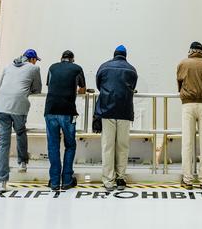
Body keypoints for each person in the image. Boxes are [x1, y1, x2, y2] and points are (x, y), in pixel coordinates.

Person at [0, 48, 42, 190]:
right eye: (35, 60)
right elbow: (37, 89)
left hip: (1, 106)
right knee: (20, 132)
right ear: (32, 59)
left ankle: (1, 181)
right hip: (18, 106)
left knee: (3, 143)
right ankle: (22, 162)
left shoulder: (7, 66)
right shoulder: (34, 68)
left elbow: (1, 85)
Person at [95, 45, 138, 190]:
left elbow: (99, 86)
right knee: (122, 146)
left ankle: (108, 180)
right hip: (124, 111)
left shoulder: (104, 67)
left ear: (114, 54)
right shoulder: (132, 69)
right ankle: (121, 179)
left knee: (107, 146)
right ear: (125, 55)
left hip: (107, 110)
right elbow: (132, 87)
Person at [176, 40, 202, 189]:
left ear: (190, 51)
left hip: (188, 105)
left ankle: (187, 179)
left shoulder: (183, 64)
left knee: (187, 142)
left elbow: (179, 83)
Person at [44, 50, 86, 191]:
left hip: (50, 110)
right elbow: (82, 89)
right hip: (68, 111)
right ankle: (67, 180)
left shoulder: (52, 67)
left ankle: (54, 181)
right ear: (72, 59)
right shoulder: (77, 68)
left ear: (61, 58)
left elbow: (50, 85)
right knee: (70, 145)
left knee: (53, 146)